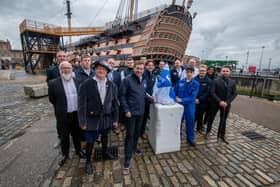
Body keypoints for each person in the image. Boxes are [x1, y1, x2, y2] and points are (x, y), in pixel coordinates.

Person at [78, 61, 119, 175]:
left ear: (107, 72)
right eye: (98, 68)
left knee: (105, 136)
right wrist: (82, 122)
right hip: (91, 119)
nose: (101, 71)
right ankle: (88, 162)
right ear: (95, 70)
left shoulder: (112, 85)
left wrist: (115, 119)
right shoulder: (86, 84)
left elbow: (115, 103)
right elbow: (81, 105)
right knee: (90, 141)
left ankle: (105, 152)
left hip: (106, 117)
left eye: (104, 69)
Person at [48, 61, 85, 167]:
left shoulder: (78, 81)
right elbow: (52, 99)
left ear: (72, 69)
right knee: (64, 137)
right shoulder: (53, 83)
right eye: (64, 68)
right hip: (63, 115)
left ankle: (79, 151)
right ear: (60, 70)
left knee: (77, 134)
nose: (66, 70)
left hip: (76, 114)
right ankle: (65, 155)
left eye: (68, 68)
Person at [120, 61, 146, 171]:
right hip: (131, 113)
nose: (139, 71)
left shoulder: (143, 79)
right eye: (137, 68)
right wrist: (126, 110)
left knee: (137, 133)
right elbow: (122, 96)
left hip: (140, 112)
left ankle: (134, 148)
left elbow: (143, 93)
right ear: (134, 68)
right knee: (130, 135)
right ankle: (127, 158)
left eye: (141, 69)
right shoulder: (127, 80)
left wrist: (152, 98)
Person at [205, 66, 237, 143]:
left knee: (223, 120)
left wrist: (227, 102)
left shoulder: (233, 82)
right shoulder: (215, 81)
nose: (225, 72)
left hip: (226, 104)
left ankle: (222, 134)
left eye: (227, 71)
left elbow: (234, 93)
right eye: (223, 71)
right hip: (215, 103)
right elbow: (212, 92)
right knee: (211, 118)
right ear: (221, 72)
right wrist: (220, 101)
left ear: (229, 72)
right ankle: (208, 132)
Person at [46, 50, 67, 149]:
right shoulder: (51, 70)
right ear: (56, 58)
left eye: (64, 56)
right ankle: (61, 138)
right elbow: (50, 86)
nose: (62, 58)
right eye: (60, 56)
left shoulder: (71, 68)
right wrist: (56, 102)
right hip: (59, 102)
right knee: (60, 121)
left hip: (71, 100)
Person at [174, 66, 199, 146]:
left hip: (189, 106)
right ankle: (178, 136)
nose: (189, 74)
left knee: (190, 122)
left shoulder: (196, 84)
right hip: (180, 105)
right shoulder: (181, 81)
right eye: (187, 72)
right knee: (178, 121)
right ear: (185, 73)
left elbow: (193, 96)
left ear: (193, 73)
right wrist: (175, 97)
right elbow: (175, 91)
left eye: (190, 72)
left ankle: (190, 139)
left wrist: (182, 100)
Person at [141, 59, 156, 139]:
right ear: (146, 66)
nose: (150, 67)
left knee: (145, 117)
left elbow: (154, 88)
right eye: (149, 65)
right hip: (142, 100)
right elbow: (143, 89)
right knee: (142, 117)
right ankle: (140, 132)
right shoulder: (143, 75)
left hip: (149, 100)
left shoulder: (153, 76)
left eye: (152, 65)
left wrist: (154, 96)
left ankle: (142, 131)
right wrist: (150, 97)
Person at [194, 64, 212, 133]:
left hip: (203, 102)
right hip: (194, 100)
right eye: (200, 70)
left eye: (203, 71)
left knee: (200, 115)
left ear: (206, 71)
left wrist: (199, 99)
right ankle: (191, 127)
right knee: (193, 115)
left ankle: (199, 128)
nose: (202, 72)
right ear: (198, 71)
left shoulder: (209, 81)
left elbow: (208, 92)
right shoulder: (194, 79)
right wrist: (195, 98)